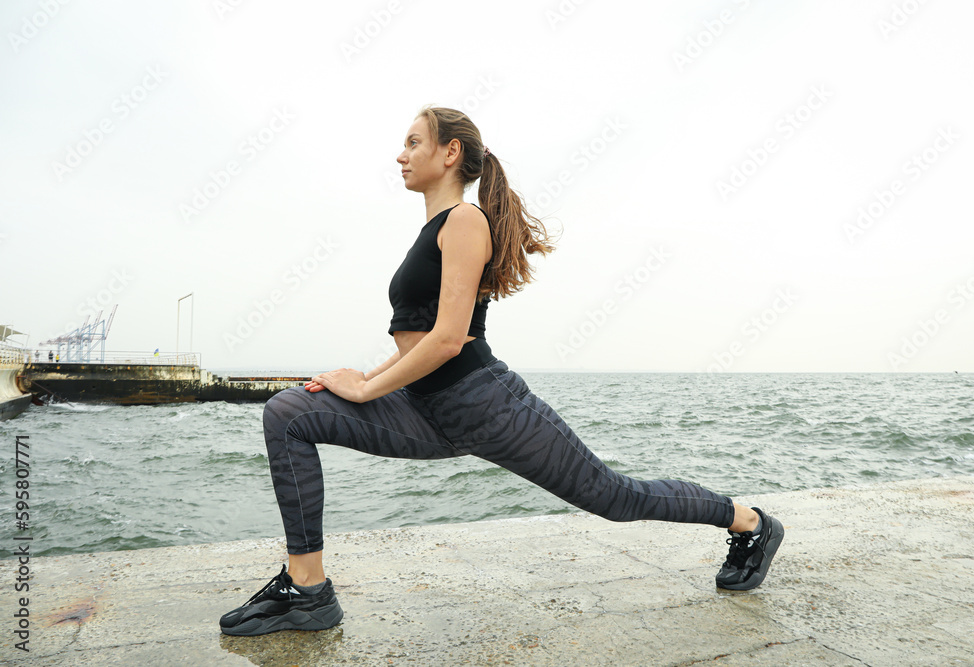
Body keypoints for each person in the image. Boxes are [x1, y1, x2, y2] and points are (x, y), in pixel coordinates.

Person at [219, 106, 783, 637]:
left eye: (413, 142)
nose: (401, 155)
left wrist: (366, 387)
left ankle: (748, 522)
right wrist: (363, 380)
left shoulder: (465, 220)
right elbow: (422, 336)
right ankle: (308, 591)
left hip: (486, 405)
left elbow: (448, 340)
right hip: (426, 409)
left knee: (613, 497)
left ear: (449, 152)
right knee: (290, 412)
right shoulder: (433, 229)